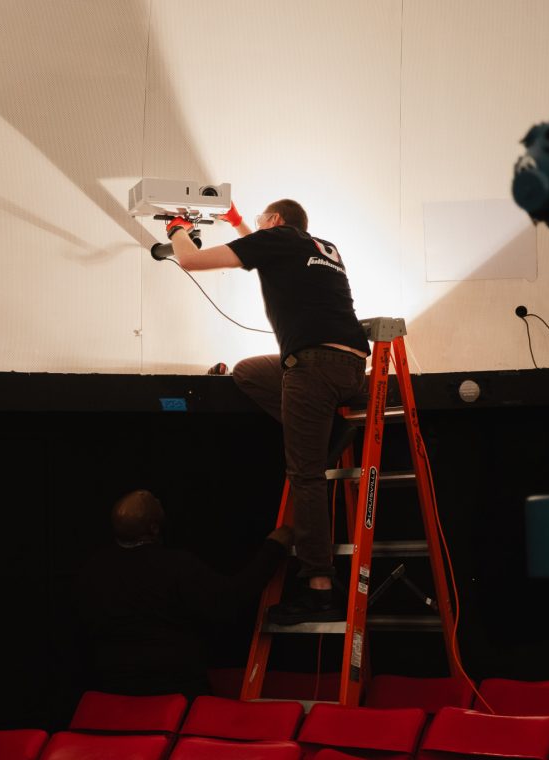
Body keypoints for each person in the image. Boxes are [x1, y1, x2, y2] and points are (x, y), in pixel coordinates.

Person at [158, 200, 369, 625]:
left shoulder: (277, 239)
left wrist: (177, 228)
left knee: (306, 476)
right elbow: (254, 246)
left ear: (274, 222)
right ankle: (331, 429)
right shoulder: (321, 246)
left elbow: (192, 261)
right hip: (351, 368)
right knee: (249, 371)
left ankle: (319, 586)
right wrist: (235, 219)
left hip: (312, 367)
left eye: (258, 224)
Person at [73, 489, 292, 697]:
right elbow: (229, 600)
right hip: (174, 691)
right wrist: (273, 548)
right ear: (154, 528)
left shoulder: (92, 569)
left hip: (112, 692)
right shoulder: (175, 566)